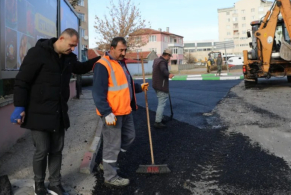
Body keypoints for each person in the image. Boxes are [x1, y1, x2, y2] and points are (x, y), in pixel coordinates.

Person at [10, 28, 101, 195]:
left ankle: (55, 183)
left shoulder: (68, 58)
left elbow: (80, 68)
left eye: (75, 46)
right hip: (38, 111)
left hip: (58, 111)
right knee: (42, 149)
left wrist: (101, 59)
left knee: (57, 149)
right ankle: (38, 184)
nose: (72, 49)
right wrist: (19, 106)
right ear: (61, 38)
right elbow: (22, 81)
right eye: (71, 45)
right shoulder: (37, 53)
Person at [92, 37, 148, 187]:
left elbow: (125, 85)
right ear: (112, 49)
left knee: (129, 137)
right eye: (121, 50)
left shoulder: (120, 63)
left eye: (125, 49)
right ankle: (110, 177)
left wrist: (138, 87)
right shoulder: (102, 65)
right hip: (112, 113)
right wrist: (106, 112)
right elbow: (98, 92)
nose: (124, 53)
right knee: (112, 145)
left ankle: (109, 161)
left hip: (125, 110)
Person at [152, 49, 174, 128]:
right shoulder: (162, 62)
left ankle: (160, 118)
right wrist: (168, 75)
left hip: (156, 85)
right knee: (161, 104)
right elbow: (163, 70)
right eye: (169, 57)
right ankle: (158, 122)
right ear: (167, 55)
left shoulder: (156, 60)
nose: (169, 58)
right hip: (161, 86)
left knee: (160, 102)